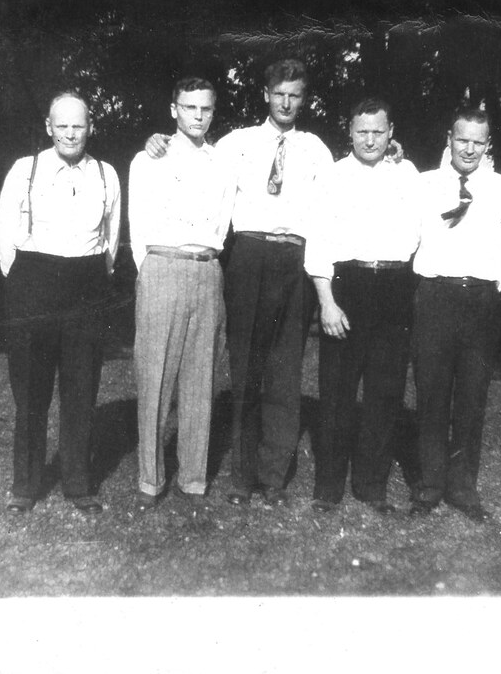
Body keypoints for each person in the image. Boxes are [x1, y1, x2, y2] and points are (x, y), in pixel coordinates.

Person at [148, 58, 332, 506]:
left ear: (303, 100)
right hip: (248, 256)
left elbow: (333, 204)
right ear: (266, 95)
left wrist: (392, 152)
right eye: (279, 94)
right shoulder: (236, 144)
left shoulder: (315, 150)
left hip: (295, 258)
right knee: (245, 368)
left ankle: (273, 477)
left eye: (294, 95)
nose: (285, 103)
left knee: (285, 371)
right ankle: (242, 477)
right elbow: (192, 153)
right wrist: (157, 140)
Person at [0, 92, 121, 516]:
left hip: (86, 285)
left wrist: (91, 278)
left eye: (78, 125)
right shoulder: (24, 169)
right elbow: (2, 233)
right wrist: (24, 280)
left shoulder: (106, 174)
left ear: (90, 128)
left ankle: (78, 483)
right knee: (31, 390)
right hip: (34, 280)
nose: (70, 133)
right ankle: (25, 484)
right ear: (49, 127)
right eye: (61, 125)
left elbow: (111, 238)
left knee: (81, 387)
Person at [409, 106, 501, 522]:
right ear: (449, 138)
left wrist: (497, 280)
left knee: (472, 396)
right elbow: (405, 231)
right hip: (435, 297)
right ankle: (430, 486)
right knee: (431, 393)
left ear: (487, 145)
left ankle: (462, 488)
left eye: (478, 142)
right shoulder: (425, 184)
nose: (469, 149)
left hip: (480, 302)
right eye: (462, 139)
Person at [305, 97, 422, 515]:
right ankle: (328, 486)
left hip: (394, 285)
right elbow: (317, 242)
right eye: (362, 131)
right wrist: (327, 302)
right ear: (350, 132)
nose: (370, 140)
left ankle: (371, 485)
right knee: (337, 391)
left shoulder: (408, 175)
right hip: (347, 284)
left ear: (391, 133)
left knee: (385, 392)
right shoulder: (332, 176)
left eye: (378, 131)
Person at [129, 77, 236, 511]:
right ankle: (150, 478)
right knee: (154, 375)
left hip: (206, 269)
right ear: (174, 109)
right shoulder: (148, 158)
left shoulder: (223, 162)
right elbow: (137, 224)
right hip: (162, 267)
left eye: (205, 109)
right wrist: (152, 272)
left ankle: (193, 477)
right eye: (189, 107)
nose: (198, 115)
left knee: (200, 377)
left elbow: (224, 219)